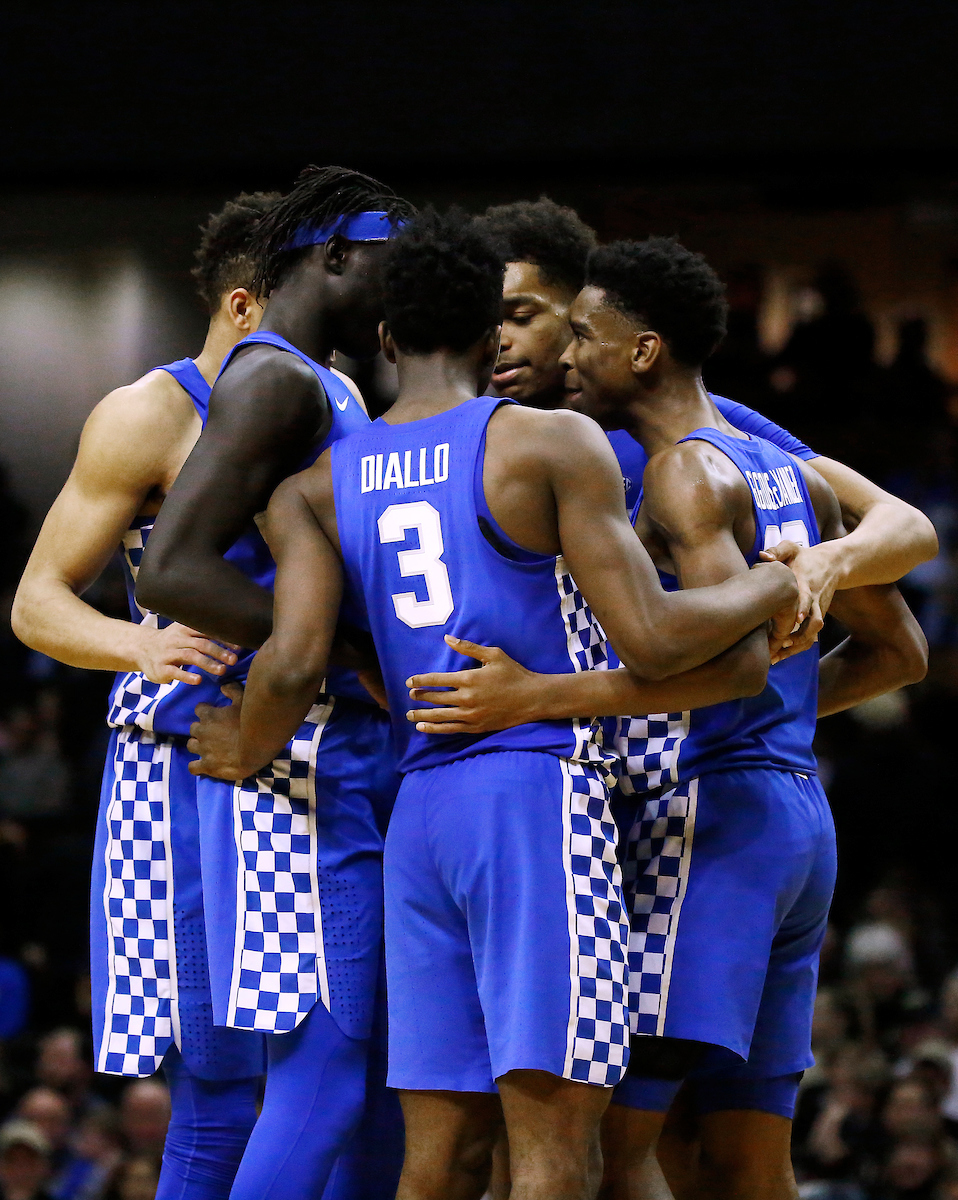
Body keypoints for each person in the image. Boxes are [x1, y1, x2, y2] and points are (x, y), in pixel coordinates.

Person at [186, 208, 800, 1199]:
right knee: (555, 1146)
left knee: (435, 1160)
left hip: (416, 809)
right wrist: (775, 583)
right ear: (489, 332)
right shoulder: (546, 442)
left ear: (383, 334)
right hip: (532, 797)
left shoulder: (314, 487)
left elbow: (296, 660)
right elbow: (652, 637)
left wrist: (242, 745)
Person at [407, 237, 926, 1200]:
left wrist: (537, 698)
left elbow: (726, 672)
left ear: (641, 351)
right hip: (796, 817)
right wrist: (790, 696)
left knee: (615, 1151)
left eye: (580, 337)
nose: (564, 358)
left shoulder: (681, 473)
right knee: (743, 1158)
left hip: (708, 824)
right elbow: (901, 652)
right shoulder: (788, 469)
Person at [134, 166, 416, 1200]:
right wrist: (335, 647)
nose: (405, 285)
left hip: (323, 752)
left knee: (363, 1083)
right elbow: (172, 568)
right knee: (326, 1080)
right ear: (337, 258)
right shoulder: (275, 377)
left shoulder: (323, 375)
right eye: (391, 262)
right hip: (288, 759)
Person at [12, 192, 277, 1200]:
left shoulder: (325, 403)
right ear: (246, 306)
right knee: (219, 1080)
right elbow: (36, 602)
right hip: (187, 766)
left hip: (308, 753)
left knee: (332, 1071)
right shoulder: (149, 412)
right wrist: (141, 643)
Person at [479, 198, 937, 631]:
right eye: (487, 323)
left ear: (581, 309)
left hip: (670, 703)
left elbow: (908, 528)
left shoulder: (696, 424)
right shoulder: (478, 433)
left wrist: (823, 563)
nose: (500, 340)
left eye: (520, 316)